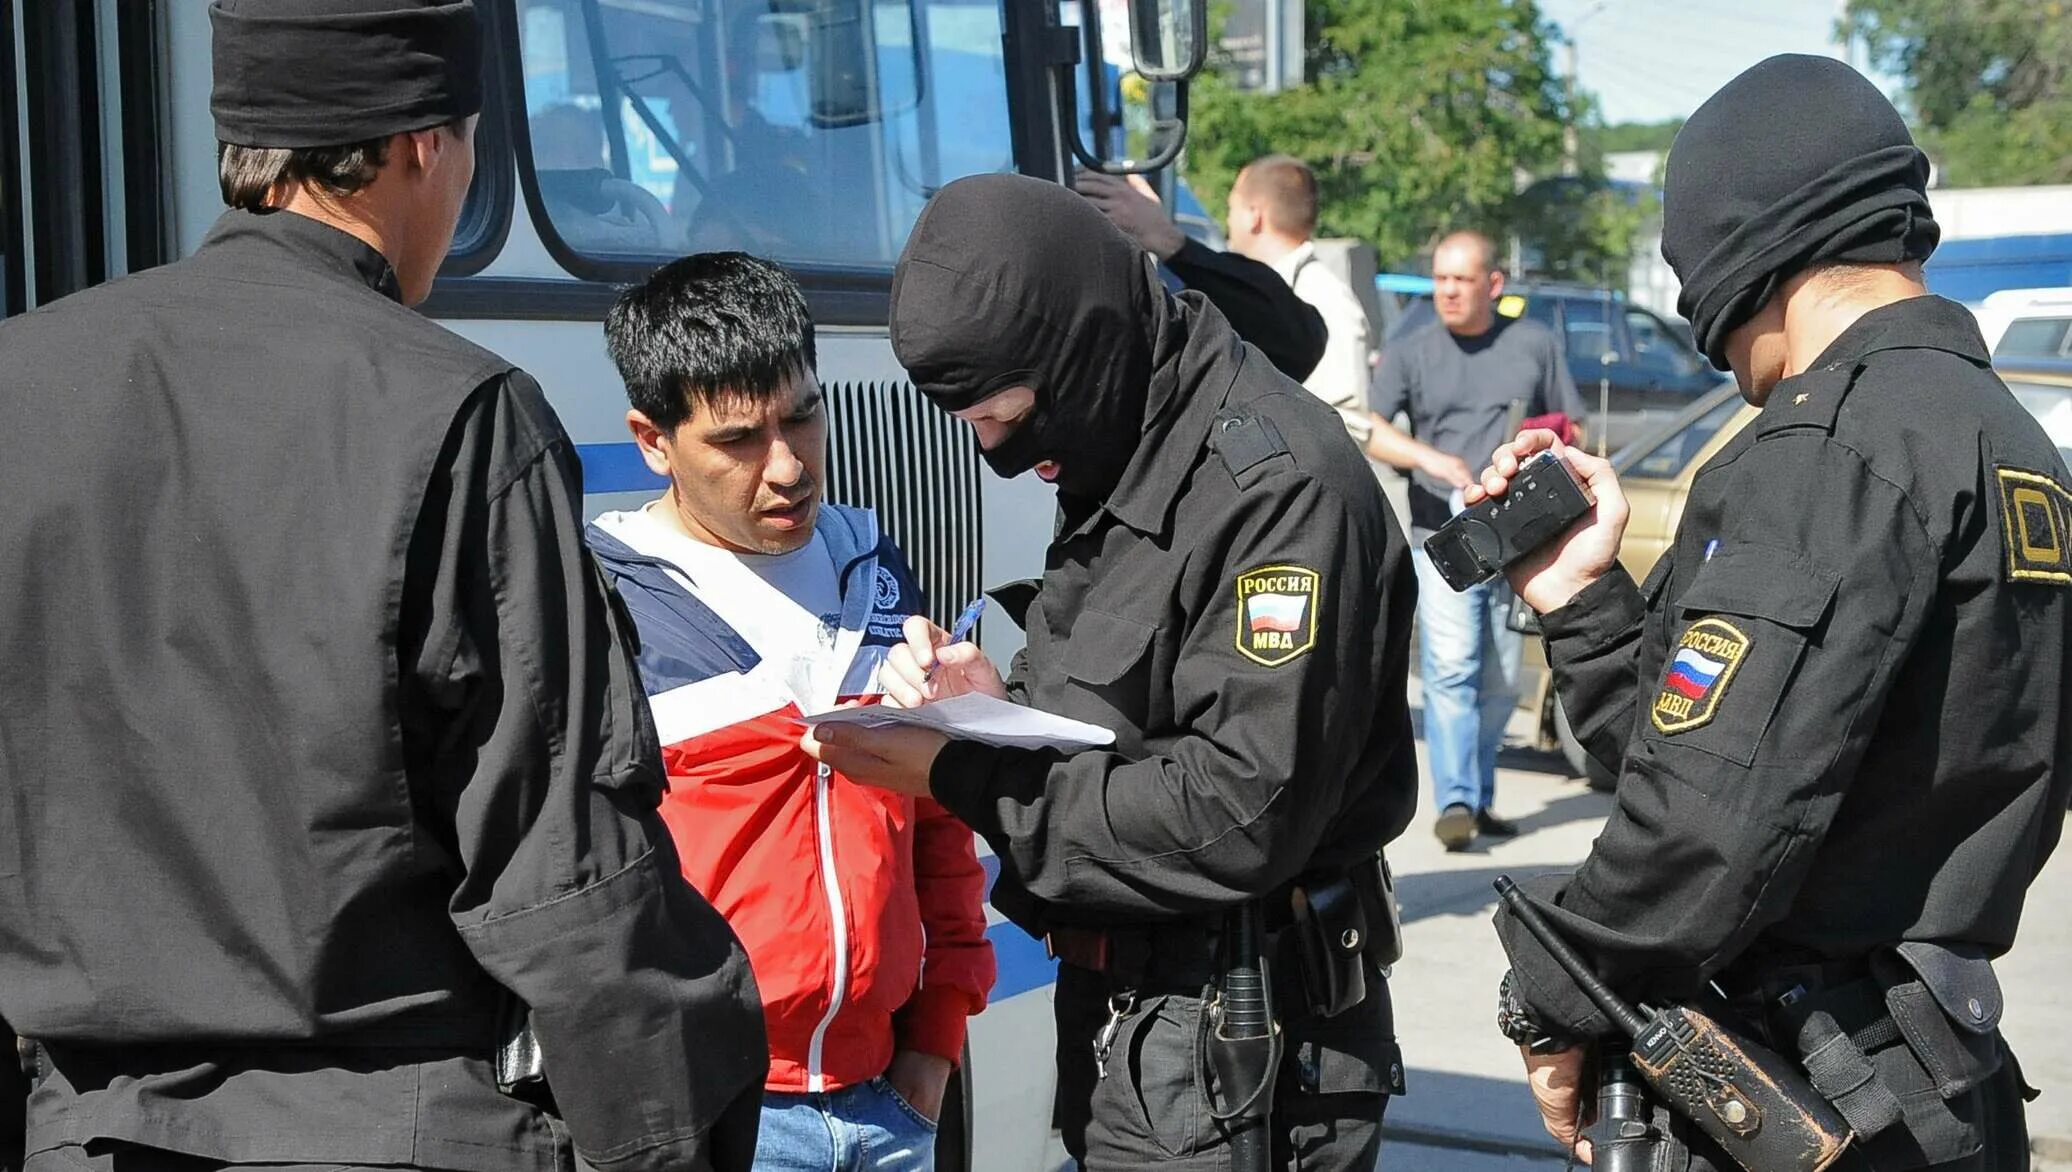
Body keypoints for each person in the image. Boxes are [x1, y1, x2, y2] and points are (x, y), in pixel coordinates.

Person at [0, 3, 768, 1170]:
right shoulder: (459, 410)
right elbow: (556, 859)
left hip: (88, 1129)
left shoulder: (22, 381)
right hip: (398, 1127)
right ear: (424, 146)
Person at [1481, 55, 2068, 1171]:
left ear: (1745, 247)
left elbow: (1703, 825)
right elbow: (1703, 754)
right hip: (1935, 1077)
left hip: (1805, 1090)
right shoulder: (2011, 439)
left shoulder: (1828, 447)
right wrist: (1580, 595)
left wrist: (1551, 992)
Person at [807, 173, 1419, 1170]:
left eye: (1007, 416)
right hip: (1145, 1026)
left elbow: (1237, 810)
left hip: (1240, 1039)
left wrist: (958, 773)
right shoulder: (1122, 434)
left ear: (1076, 347)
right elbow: (1140, 709)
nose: (999, 454)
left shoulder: (1275, 496)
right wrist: (991, 709)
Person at [583, 253, 997, 1171]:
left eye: (802, 415)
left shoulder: (874, 565)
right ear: (653, 440)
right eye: (736, 439)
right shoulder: (600, 601)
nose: (785, 466)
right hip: (717, 1117)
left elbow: (936, 816)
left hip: (892, 1104)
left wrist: (936, 1042)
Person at [1366, 230, 1586, 852]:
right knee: (1452, 668)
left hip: (1517, 543)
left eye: (1460, 280)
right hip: (1443, 539)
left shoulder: (1534, 345)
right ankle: (1457, 800)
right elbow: (1372, 430)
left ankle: (1481, 798)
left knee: (1500, 684)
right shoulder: (1413, 350)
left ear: (1494, 284)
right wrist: (1432, 461)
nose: (1447, 292)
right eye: (1439, 279)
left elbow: (1570, 428)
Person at [1076, 169, 1328, 382]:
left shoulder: (1318, 287)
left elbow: (1300, 345)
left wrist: (1169, 241)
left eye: (1231, 209)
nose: (1228, 221)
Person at [1222, 155, 1375, 444]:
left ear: (1254, 215)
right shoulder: (1260, 293)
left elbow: (1348, 425)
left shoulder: (1324, 297)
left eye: (1231, 208)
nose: (1227, 221)